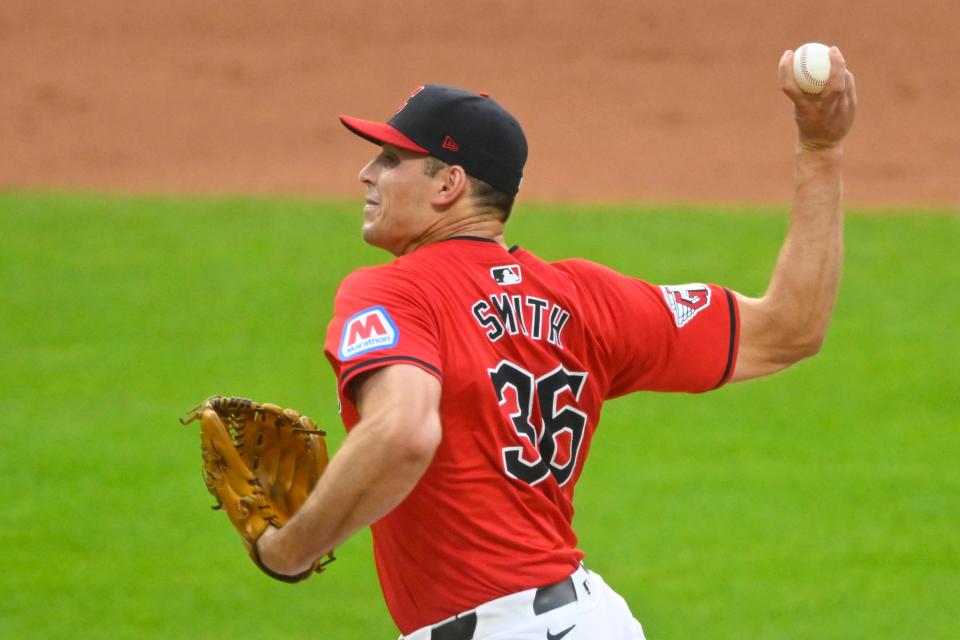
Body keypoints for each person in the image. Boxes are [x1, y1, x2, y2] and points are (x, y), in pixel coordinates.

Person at [256, 47, 857, 639]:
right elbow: (790, 328)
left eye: (391, 159)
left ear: (450, 185)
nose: (367, 173)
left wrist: (290, 551)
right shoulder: (585, 298)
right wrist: (822, 151)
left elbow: (405, 432)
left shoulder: (392, 293)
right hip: (592, 621)